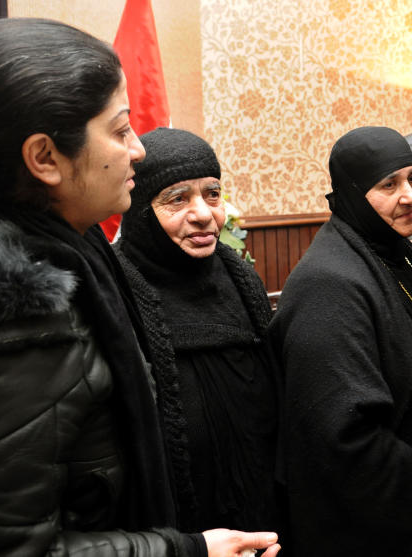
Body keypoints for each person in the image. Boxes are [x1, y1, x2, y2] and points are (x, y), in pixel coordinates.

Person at [0, 18, 279, 557]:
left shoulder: (79, 261)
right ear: (45, 158)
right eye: (121, 130)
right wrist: (185, 551)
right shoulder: (16, 320)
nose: (138, 151)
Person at [270, 126, 412, 556]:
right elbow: (340, 433)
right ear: (353, 194)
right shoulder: (328, 284)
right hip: (383, 526)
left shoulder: (400, 253)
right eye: (388, 185)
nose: (409, 195)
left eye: (411, 178)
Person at [114, 128, 285, 535]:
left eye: (212, 193)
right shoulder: (117, 291)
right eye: (177, 199)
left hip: (264, 514)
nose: (204, 213)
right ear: (141, 210)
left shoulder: (240, 278)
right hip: (176, 530)